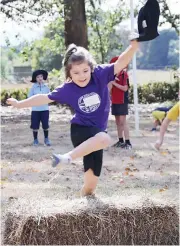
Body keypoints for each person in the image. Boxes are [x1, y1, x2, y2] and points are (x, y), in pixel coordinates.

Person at [7, 41, 139, 196]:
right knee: (105, 139)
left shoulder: (100, 75)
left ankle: (80, 197)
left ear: (91, 68)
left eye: (85, 71)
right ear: (69, 74)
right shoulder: (67, 89)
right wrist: (19, 104)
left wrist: (133, 47)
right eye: (76, 73)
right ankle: (66, 158)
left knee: (90, 186)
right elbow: (44, 98)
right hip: (80, 130)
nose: (81, 76)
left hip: (96, 133)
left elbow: (120, 62)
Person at [108, 57, 132, 149]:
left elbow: (125, 88)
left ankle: (128, 142)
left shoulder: (124, 75)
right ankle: (120, 140)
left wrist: (114, 83)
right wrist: (110, 82)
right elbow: (109, 89)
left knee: (123, 121)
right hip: (114, 100)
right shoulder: (112, 76)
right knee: (118, 122)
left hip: (122, 100)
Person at [28, 69, 51, 146]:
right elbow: (29, 97)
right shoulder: (33, 87)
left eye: (41, 76)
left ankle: (46, 139)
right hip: (35, 110)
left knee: (45, 125)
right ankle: (35, 140)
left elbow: (50, 96)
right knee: (35, 125)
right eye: (38, 77)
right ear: (35, 78)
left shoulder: (46, 87)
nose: (40, 78)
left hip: (45, 109)